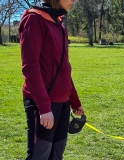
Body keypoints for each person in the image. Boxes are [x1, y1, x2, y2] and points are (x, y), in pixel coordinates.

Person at [18, 0, 84, 159]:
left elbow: (64, 68)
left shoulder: (59, 24)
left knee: (56, 154)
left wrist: (74, 101)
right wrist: (44, 108)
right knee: (39, 156)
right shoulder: (33, 19)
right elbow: (30, 67)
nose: (73, 1)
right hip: (43, 103)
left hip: (62, 104)